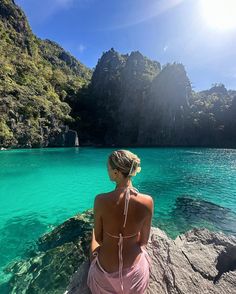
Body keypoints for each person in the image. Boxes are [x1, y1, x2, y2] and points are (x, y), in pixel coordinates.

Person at [87, 149, 154, 294]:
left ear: (117, 173)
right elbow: (143, 242)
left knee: (93, 236)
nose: (107, 171)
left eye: (108, 168)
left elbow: (99, 239)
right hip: (134, 280)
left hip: (105, 279)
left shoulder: (101, 200)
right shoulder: (147, 201)